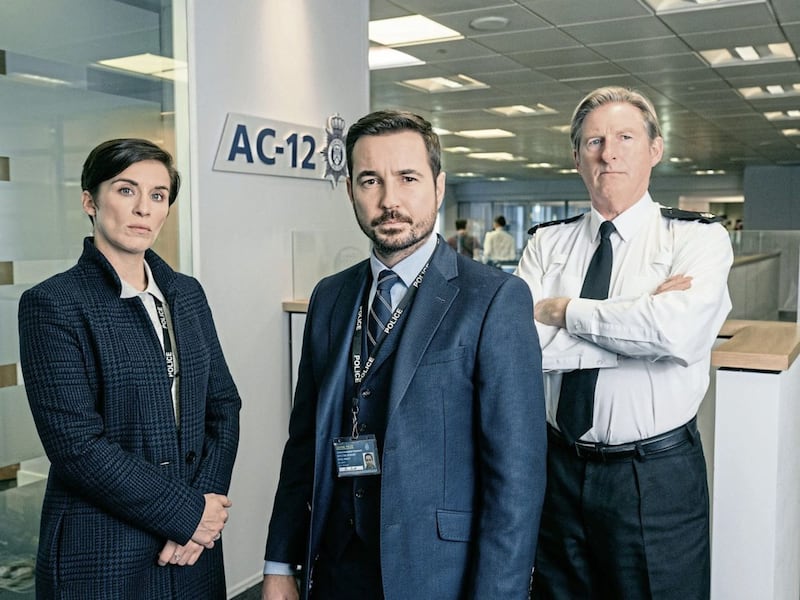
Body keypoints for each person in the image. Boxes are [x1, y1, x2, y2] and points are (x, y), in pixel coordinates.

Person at [262, 110, 546, 600]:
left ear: (438, 186)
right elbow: (304, 442)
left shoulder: (493, 298)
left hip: (437, 573)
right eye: (371, 180)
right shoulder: (330, 296)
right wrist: (279, 560)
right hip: (336, 568)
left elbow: (516, 479)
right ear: (350, 189)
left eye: (407, 178)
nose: (389, 200)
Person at [515, 86, 733, 599]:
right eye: (593, 141)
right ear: (576, 157)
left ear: (655, 149)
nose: (607, 153)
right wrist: (639, 327)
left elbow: (675, 330)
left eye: (624, 137)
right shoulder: (547, 242)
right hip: (558, 469)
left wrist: (563, 310)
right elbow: (521, 348)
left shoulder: (697, 239)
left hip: (654, 477)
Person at [18, 138, 241, 599]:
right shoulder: (53, 304)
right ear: (89, 201)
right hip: (102, 547)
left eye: (158, 196)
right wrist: (187, 514)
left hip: (192, 548)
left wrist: (207, 506)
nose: (144, 208)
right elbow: (76, 445)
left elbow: (223, 405)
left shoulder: (186, 293)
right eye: (126, 190)